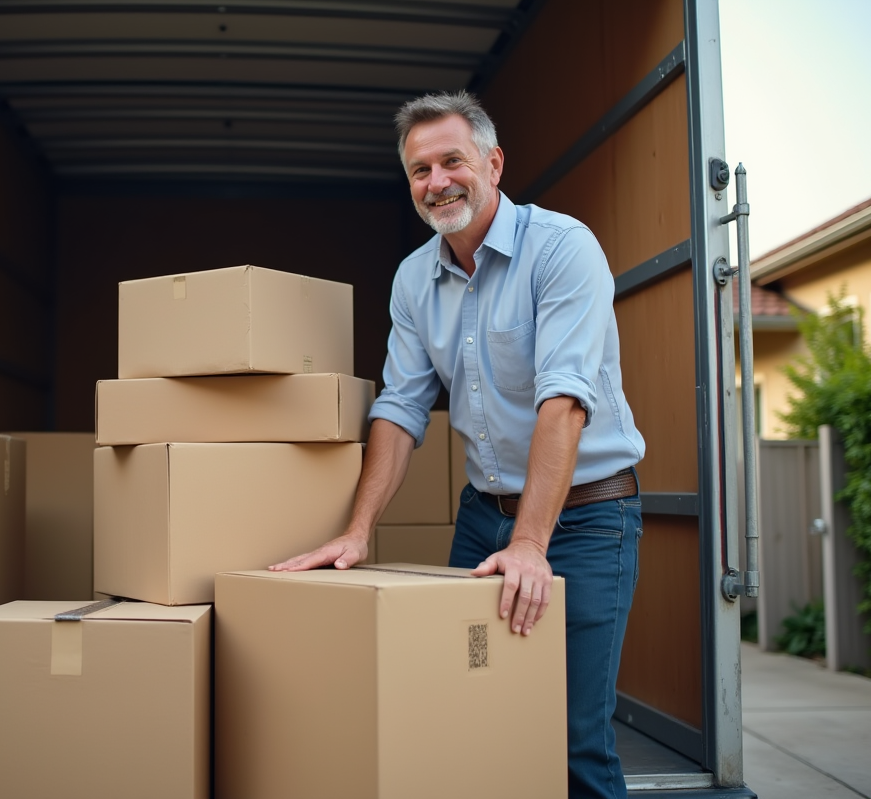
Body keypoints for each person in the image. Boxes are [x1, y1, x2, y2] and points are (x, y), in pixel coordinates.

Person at [270, 90, 646, 799]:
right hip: (483, 519)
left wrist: (533, 542)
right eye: (419, 170)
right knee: (466, 714)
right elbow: (401, 405)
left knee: (570, 738)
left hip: (588, 520)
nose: (436, 182)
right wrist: (357, 533)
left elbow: (563, 402)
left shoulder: (563, 249)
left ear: (493, 163)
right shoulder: (415, 278)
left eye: (452, 161)